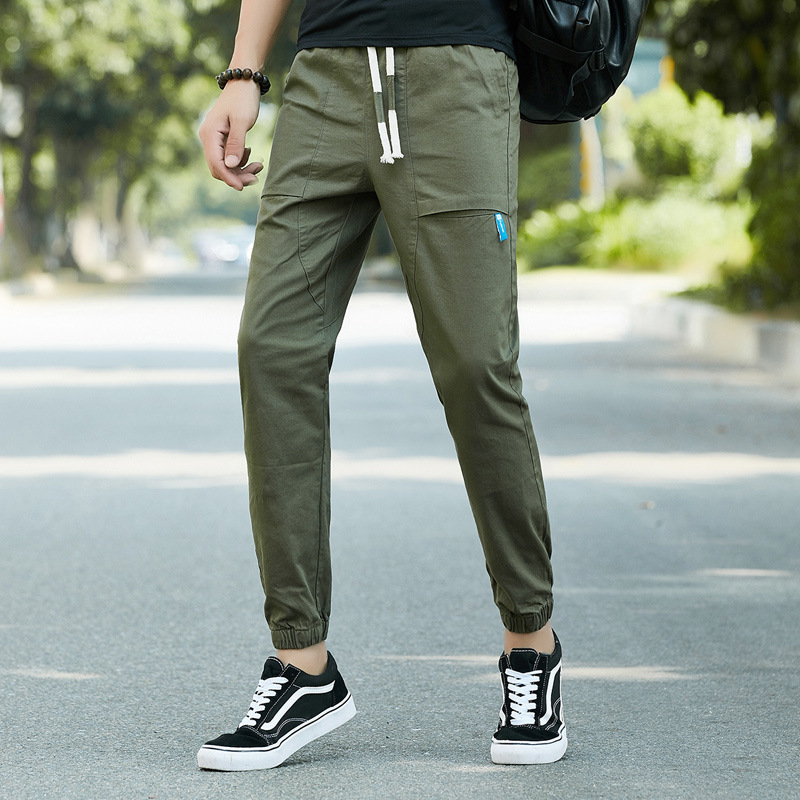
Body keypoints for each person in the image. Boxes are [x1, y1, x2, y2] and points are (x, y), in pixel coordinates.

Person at [196, 0, 567, 771]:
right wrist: (243, 73)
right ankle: (303, 662)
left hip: (455, 72)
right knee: (271, 347)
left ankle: (530, 643)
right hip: (326, 78)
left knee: (476, 364)